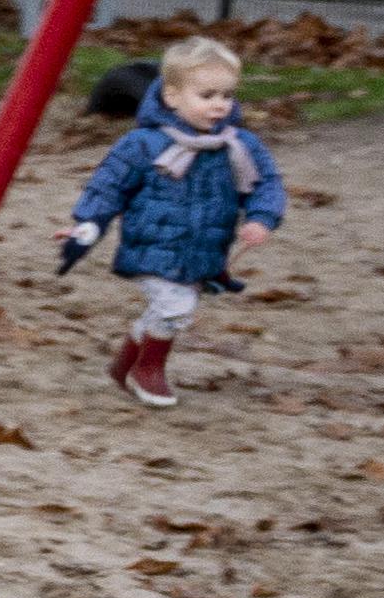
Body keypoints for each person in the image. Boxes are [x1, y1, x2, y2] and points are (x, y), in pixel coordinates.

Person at [61, 32, 283, 408]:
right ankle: (149, 371)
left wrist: (262, 216)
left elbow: (266, 182)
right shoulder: (144, 144)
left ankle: (124, 363)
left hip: (203, 250)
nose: (220, 106)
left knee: (167, 307)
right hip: (152, 246)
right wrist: (88, 223)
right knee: (175, 307)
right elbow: (108, 185)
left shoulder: (238, 145)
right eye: (207, 96)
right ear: (171, 96)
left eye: (227, 96)